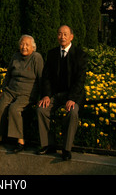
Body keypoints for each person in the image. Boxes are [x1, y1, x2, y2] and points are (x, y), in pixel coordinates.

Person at [37, 25, 88, 161]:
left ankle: (66, 149)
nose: (62, 37)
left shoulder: (80, 54)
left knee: (72, 112)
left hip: (72, 95)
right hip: (55, 94)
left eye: (65, 34)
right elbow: (46, 77)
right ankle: (48, 144)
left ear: (71, 37)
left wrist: (72, 98)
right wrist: (46, 95)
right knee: (41, 109)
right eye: (60, 34)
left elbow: (80, 80)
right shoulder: (52, 53)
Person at [0, 35, 43, 153]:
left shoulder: (36, 57)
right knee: (1, 106)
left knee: (14, 109)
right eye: (22, 44)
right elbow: (8, 75)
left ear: (33, 47)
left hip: (27, 93)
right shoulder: (15, 56)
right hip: (11, 90)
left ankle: (20, 141)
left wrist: (42, 96)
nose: (24, 47)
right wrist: (3, 90)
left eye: (27, 45)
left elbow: (41, 78)